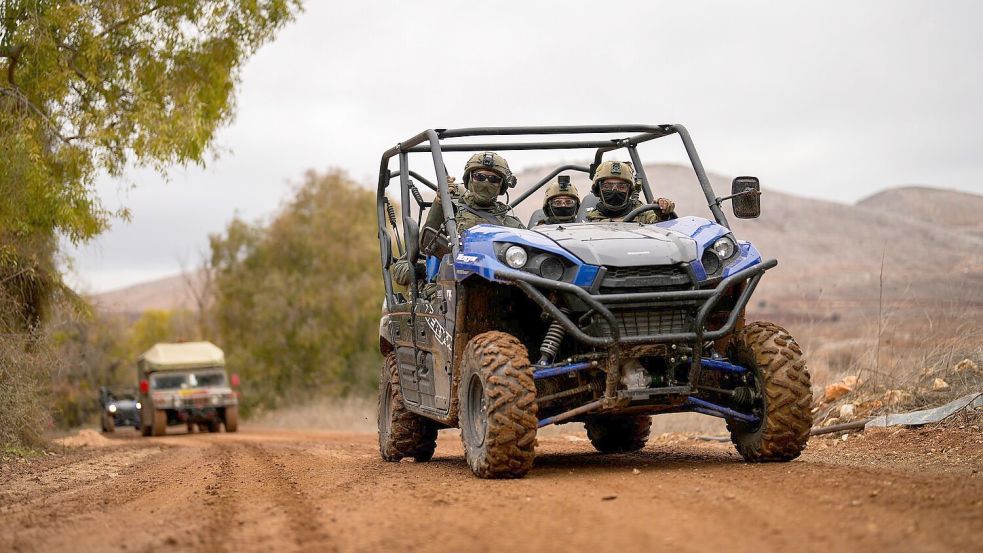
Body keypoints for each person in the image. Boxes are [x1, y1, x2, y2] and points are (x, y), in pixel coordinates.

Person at [585, 161, 675, 223]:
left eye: (621, 186)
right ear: (598, 190)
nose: (614, 190)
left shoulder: (643, 215)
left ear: (630, 190)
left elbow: (660, 225)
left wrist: (663, 213)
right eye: (607, 186)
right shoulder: (588, 220)